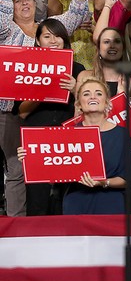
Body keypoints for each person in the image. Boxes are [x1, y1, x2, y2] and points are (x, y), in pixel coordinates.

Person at [19, 78, 131, 215]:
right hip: (75, 205)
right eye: (86, 94)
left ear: (107, 103)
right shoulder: (66, 135)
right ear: (79, 104)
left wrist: (103, 182)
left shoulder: (122, 135)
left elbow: (127, 179)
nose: (92, 96)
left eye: (98, 93)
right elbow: (52, 174)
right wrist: (31, 158)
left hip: (111, 205)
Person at [19, 19, 85, 216]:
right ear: (38, 41)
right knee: (37, 200)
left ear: (65, 40)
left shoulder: (78, 69)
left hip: (68, 143)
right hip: (38, 143)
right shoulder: (28, 68)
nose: (53, 40)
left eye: (57, 36)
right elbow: (22, 112)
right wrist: (42, 91)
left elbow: (89, 109)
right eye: (47, 36)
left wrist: (75, 89)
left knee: (68, 199)